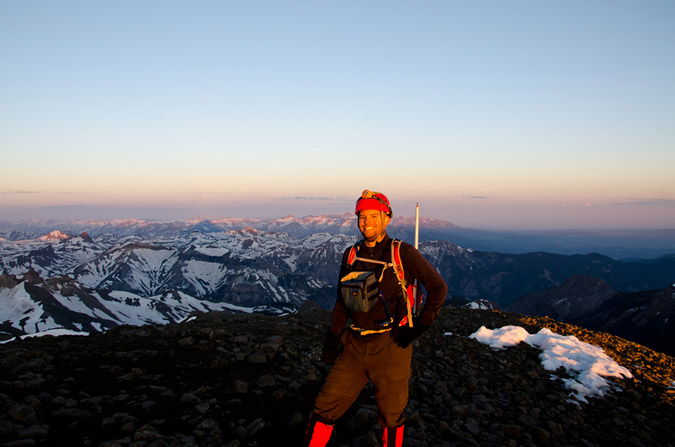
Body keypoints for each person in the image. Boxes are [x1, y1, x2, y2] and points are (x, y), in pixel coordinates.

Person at [303, 190, 448, 447]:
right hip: (354, 343)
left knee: (391, 413)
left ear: (386, 218)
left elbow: (438, 287)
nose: (366, 222)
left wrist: (419, 326)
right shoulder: (350, 254)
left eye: (372, 216)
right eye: (361, 216)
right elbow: (342, 301)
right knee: (326, 405)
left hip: (391, 344)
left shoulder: (402, 253)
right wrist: (333, 338)